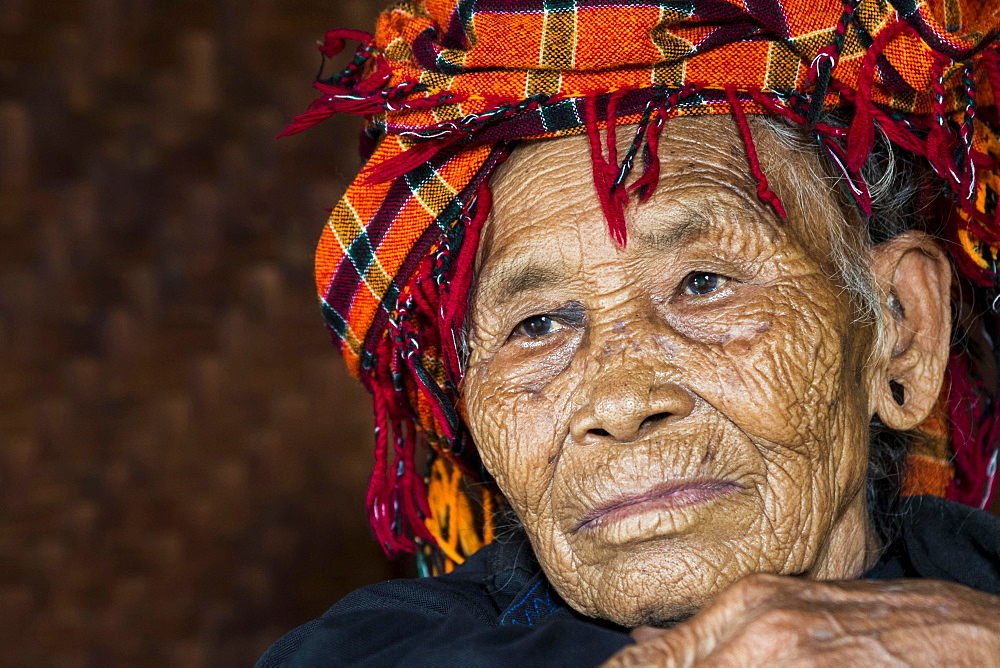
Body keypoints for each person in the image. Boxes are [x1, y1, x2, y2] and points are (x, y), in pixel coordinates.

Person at [260, 0, 1000, 665]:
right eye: (538, 325)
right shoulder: (376, 653)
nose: (621, 401)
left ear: (901, 327)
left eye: (703, 284)